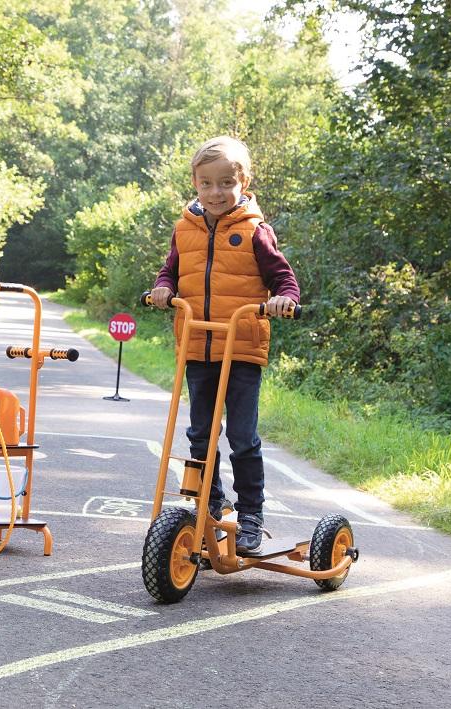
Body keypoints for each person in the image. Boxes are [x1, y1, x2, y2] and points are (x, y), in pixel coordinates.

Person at [149, 136, 299, 556]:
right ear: (195, 184)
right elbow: (170, 271)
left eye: (226, 183)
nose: (216, 193)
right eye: (207, 184)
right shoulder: (184, 229)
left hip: (242, 348)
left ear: (243, 183)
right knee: (200, 434)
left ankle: (251, 514)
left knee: (242, 436)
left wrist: (284, 299)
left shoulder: (255, 231)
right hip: (197, 346)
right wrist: (162, 288)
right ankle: (210, 505)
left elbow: (283, 278)